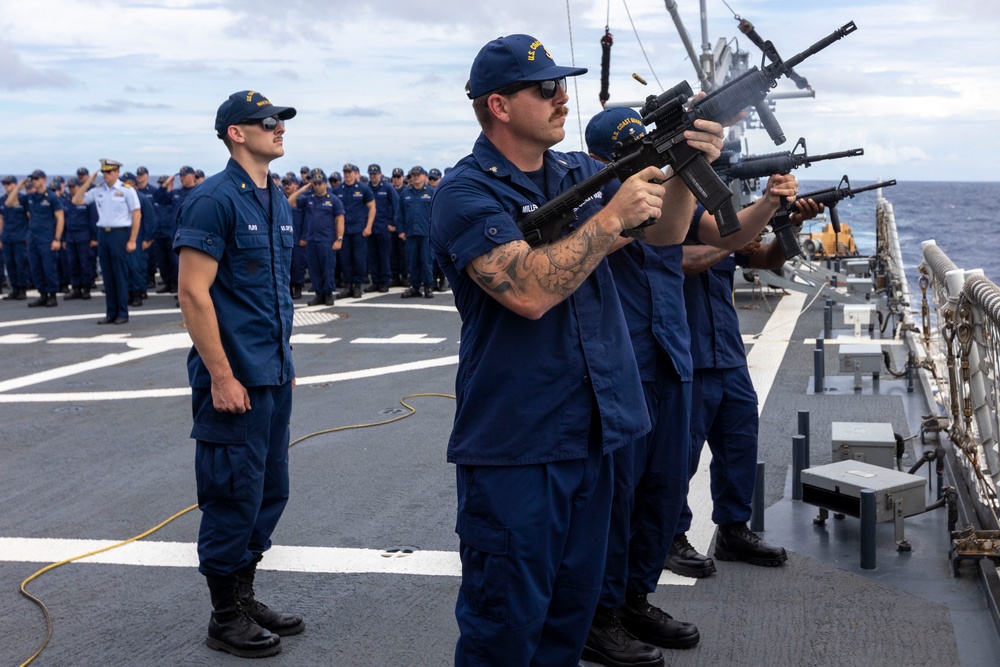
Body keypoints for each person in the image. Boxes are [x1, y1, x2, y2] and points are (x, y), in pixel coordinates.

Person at [428, 33, 725, 665]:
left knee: (569, 617)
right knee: (504, 626)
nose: (564, 98)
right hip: (520, 440)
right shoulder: (466, 192)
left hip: (597, 431)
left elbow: (667, 235)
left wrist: (683, 167)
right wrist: (609, 220)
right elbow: (529, 291)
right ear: (499, 106)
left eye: (564, 86)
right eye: (546, 89)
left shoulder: (578, 174)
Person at [581, 109, 800, 667]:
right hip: (627, 360)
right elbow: (685, 252)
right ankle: (600, 613)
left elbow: (730, 233)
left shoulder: (668, 195)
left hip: (671, 354)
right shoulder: (601, 202)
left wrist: (773, 203)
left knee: (660, 488)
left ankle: (634, 597)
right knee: (619, 497)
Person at [173, 90, 303, 659]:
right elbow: (192, 293)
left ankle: (245, 594)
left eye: (280, 121)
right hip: (234, 380)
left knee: (269, 489)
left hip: (271, 373)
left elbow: (272, 294)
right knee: (232, 492)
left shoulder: (276, 198)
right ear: (236, 133)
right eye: (267, 122)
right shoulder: (214, 200)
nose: (279, 129)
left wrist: (285, 363)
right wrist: (222, 376)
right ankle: (224, 615)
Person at [668, 196, 818, 577]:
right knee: (678, 457)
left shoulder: (718, 234)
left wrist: (790, 225)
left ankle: (733, 530)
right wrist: (728, 243)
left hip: (728, 356)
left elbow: (768, 260)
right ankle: (670, 537)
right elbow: (683, 263)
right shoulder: (665, 227)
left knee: (740, 447)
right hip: (688, 358)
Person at [73, 159, 141, 324]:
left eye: (110, 172)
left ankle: (122, 313)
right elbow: (76, 200)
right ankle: (111, 312)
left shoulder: (126, 190)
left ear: (117, 172)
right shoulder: (98, 190)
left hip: (119, 234)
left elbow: (136, 214)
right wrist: (89, 181)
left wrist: (132, 240)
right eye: (104, 172)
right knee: (108, 277)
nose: (106, 175)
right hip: (103, 234)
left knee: (120, 275)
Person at [7, 170, 64, 308]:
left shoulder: (51, 197)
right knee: (35, 268)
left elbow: (60, 218)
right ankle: (42, 295)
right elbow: (9, 203)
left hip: (47, 237)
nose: (35, 181)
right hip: (33, 237)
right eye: (33, 179)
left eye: (37, 179)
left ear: (44, 179)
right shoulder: (30, 197)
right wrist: (19, 187)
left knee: (48, 267)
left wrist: (57, 238)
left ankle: (52, 296)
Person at [289, 168, 344, 306]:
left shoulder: (333, 200)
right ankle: (319, 294)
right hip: (311, 240)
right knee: (314, 270)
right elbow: (290, 202)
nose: (317, 186)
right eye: (315, 183)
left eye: (320, 183)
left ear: (326, 184)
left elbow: (340, 220)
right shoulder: (309, 199)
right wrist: (303, 189)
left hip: (326, 239)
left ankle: (328, 293)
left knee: (328, 269)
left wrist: (339, 239)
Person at [332, 163, 375, 299]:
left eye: (350, 172)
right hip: (344, 231)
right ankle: (348, 285)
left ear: (355, 173)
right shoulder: (338, 190)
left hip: (359, 230)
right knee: (345, 260)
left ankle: (357, 286)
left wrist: (368, 226)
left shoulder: (363, 189)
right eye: (345, 172)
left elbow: (372, 207)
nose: (347, 175)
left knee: (359, 259)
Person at [396, 166, 435, 298]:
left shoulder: (431, 192)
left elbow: (437, 213)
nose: (416, 177)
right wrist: (400, 230)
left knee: (426, 260)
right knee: (412, 261)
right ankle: (415, 286)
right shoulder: (405, 194)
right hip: (410, 233)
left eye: (418, 175)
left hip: (426, 234)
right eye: (414, 175)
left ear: (424, 176)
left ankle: (428, 286)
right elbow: (399, 214)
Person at [63, 177, 99, 301]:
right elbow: (64, 221)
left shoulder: (87, 201)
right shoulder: (67, 201)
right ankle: (76, 288)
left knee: (85, 263)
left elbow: (93, 219)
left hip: (84, 236)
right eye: (70, 187)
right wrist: (63, 239)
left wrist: (94, 237)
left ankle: (86, 288)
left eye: (74, 186)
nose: (71, 189)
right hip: (71, 237)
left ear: (79, 187)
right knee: (73, 264)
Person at [364, 163, 397, 293]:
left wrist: (393, 223)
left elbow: (396, 205)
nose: (373, 176)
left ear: (380, 174)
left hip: (383, 226)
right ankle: (375, 281)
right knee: (372, 256)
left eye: (375, 174)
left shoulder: (387, 187)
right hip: (370, 227)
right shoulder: (366, 188)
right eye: (371, 174)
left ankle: (384, 281)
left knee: (384, 256)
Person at [1, 174, 31, 301]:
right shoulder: (2, 200)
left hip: (20, 237)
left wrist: (29, 235)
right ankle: (14, 288)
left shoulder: (23, 199)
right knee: (10, 264)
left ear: (15, 184)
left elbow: (30, 218)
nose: (7, 186)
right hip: (7, 237)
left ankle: (22, 289)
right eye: (5, 184)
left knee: (21, 264)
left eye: (9, 183)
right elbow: (1, 220)